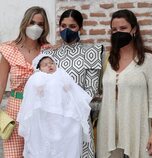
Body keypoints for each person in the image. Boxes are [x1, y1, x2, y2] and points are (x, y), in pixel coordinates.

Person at [97, 9, 152, 158]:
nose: (118, 33)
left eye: (123, 28)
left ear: (134, 30)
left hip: (137, 127)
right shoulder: (107, 59)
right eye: (114, 29)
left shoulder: (149, 61)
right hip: (109, 129)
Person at [43, 9, 103, 158]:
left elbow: (91, 89)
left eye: (72, 26)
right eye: (63, 26)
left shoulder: (91, 52)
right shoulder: (50, 55)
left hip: (78, 118)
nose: (66, 30)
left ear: (80, 28)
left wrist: (71, 110)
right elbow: (43, 87)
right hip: (54, 120)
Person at [17, 53, 92, 158]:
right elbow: (33, 96)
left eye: (51, 63)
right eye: (45, 65)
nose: (50, 66)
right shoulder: (38, 77)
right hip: (44, 114)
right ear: (39, 68)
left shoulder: (61, 74)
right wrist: (39, 89)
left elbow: (71, 89)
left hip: (62, 113)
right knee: (45, 137)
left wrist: (67, 86)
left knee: (64, 136)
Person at [0, 6, 51, 158]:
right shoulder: (10, 50)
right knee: (13, 155)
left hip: (40, 111)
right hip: (15, 111)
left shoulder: (48, 51)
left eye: (40, 24)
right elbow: (1, 84)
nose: (35, 27)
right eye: (32, 22)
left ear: (45, 27)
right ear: (25, 24)